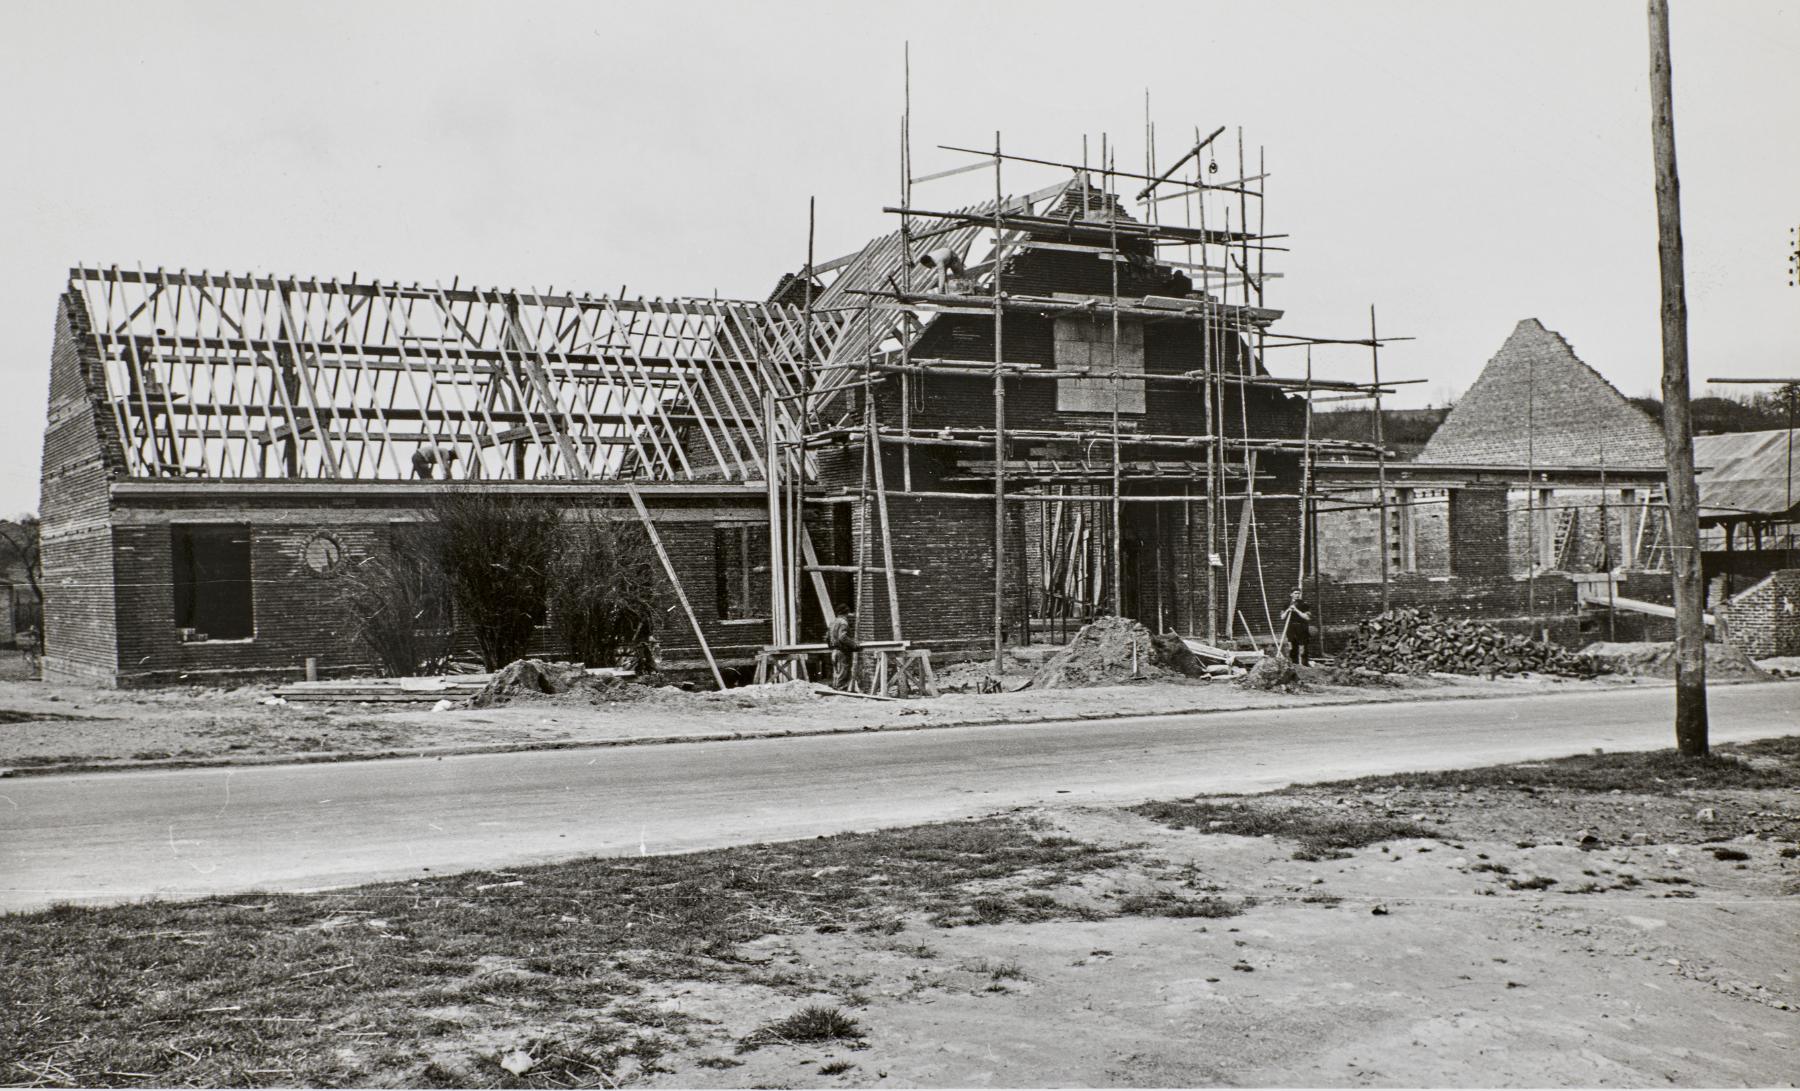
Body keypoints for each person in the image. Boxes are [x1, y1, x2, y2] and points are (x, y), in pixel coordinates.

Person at [826, 607, 861, 690]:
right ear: (846, 613)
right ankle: (841, 692)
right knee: (843, 673)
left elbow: (827, 637)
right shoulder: (843, 622)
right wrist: (854, 645)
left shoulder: (833, 622)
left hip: (834, 651)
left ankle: (835, 691)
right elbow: (842, 637)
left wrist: (831, 647)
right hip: (842, 652)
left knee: (836, 673)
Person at [1280, 588, 1312, 665]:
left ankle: (1304, 666)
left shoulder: (1304, 604)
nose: (1297, 595)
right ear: (1291, 594)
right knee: (1292, 648)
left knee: (1302, 649)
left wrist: (1296, 610)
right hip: (1291, 628)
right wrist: (1288, 610)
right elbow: (1282, 617)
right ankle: (1295, 665)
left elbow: (1307, 617)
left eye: (1298, 593)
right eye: (1295, 593)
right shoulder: (1287, 604)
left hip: (1301, 628)